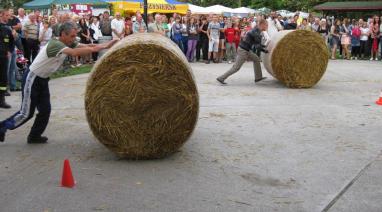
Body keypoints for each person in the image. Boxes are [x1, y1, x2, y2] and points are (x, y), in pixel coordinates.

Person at [0, 22, 119, 143]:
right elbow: (75, 53)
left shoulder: (68, 42)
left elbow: (89, 45)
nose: (74, 38)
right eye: (72, 36)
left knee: (45, 110)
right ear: (63, 34)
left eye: (75, 35)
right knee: (26, 113)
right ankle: (1, 128)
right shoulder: (55, 44)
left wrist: (106, 45)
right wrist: (103, 47)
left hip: (43, 79)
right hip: (33, 78)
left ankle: (34, 136)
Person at [216, 19, 268, 85]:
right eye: (266, 25)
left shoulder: (257, 30)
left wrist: (265, 48)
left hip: (247, 50)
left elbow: (258, 44)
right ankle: (221, 78)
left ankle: (258, 77)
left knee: (256, 59)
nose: (267, 27)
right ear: (262, 25)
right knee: (236, 68)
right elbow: (258, 47)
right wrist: (266, 51)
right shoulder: (256, 32)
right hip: (243, 51)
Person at [0, 9, 14, 108]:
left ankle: (1, 100)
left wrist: (9, 51)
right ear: (1, 15)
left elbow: (11, 42)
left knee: (3, 78)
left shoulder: (7, 29)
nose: (8, 17)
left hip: (3, 57)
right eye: (6, 15)